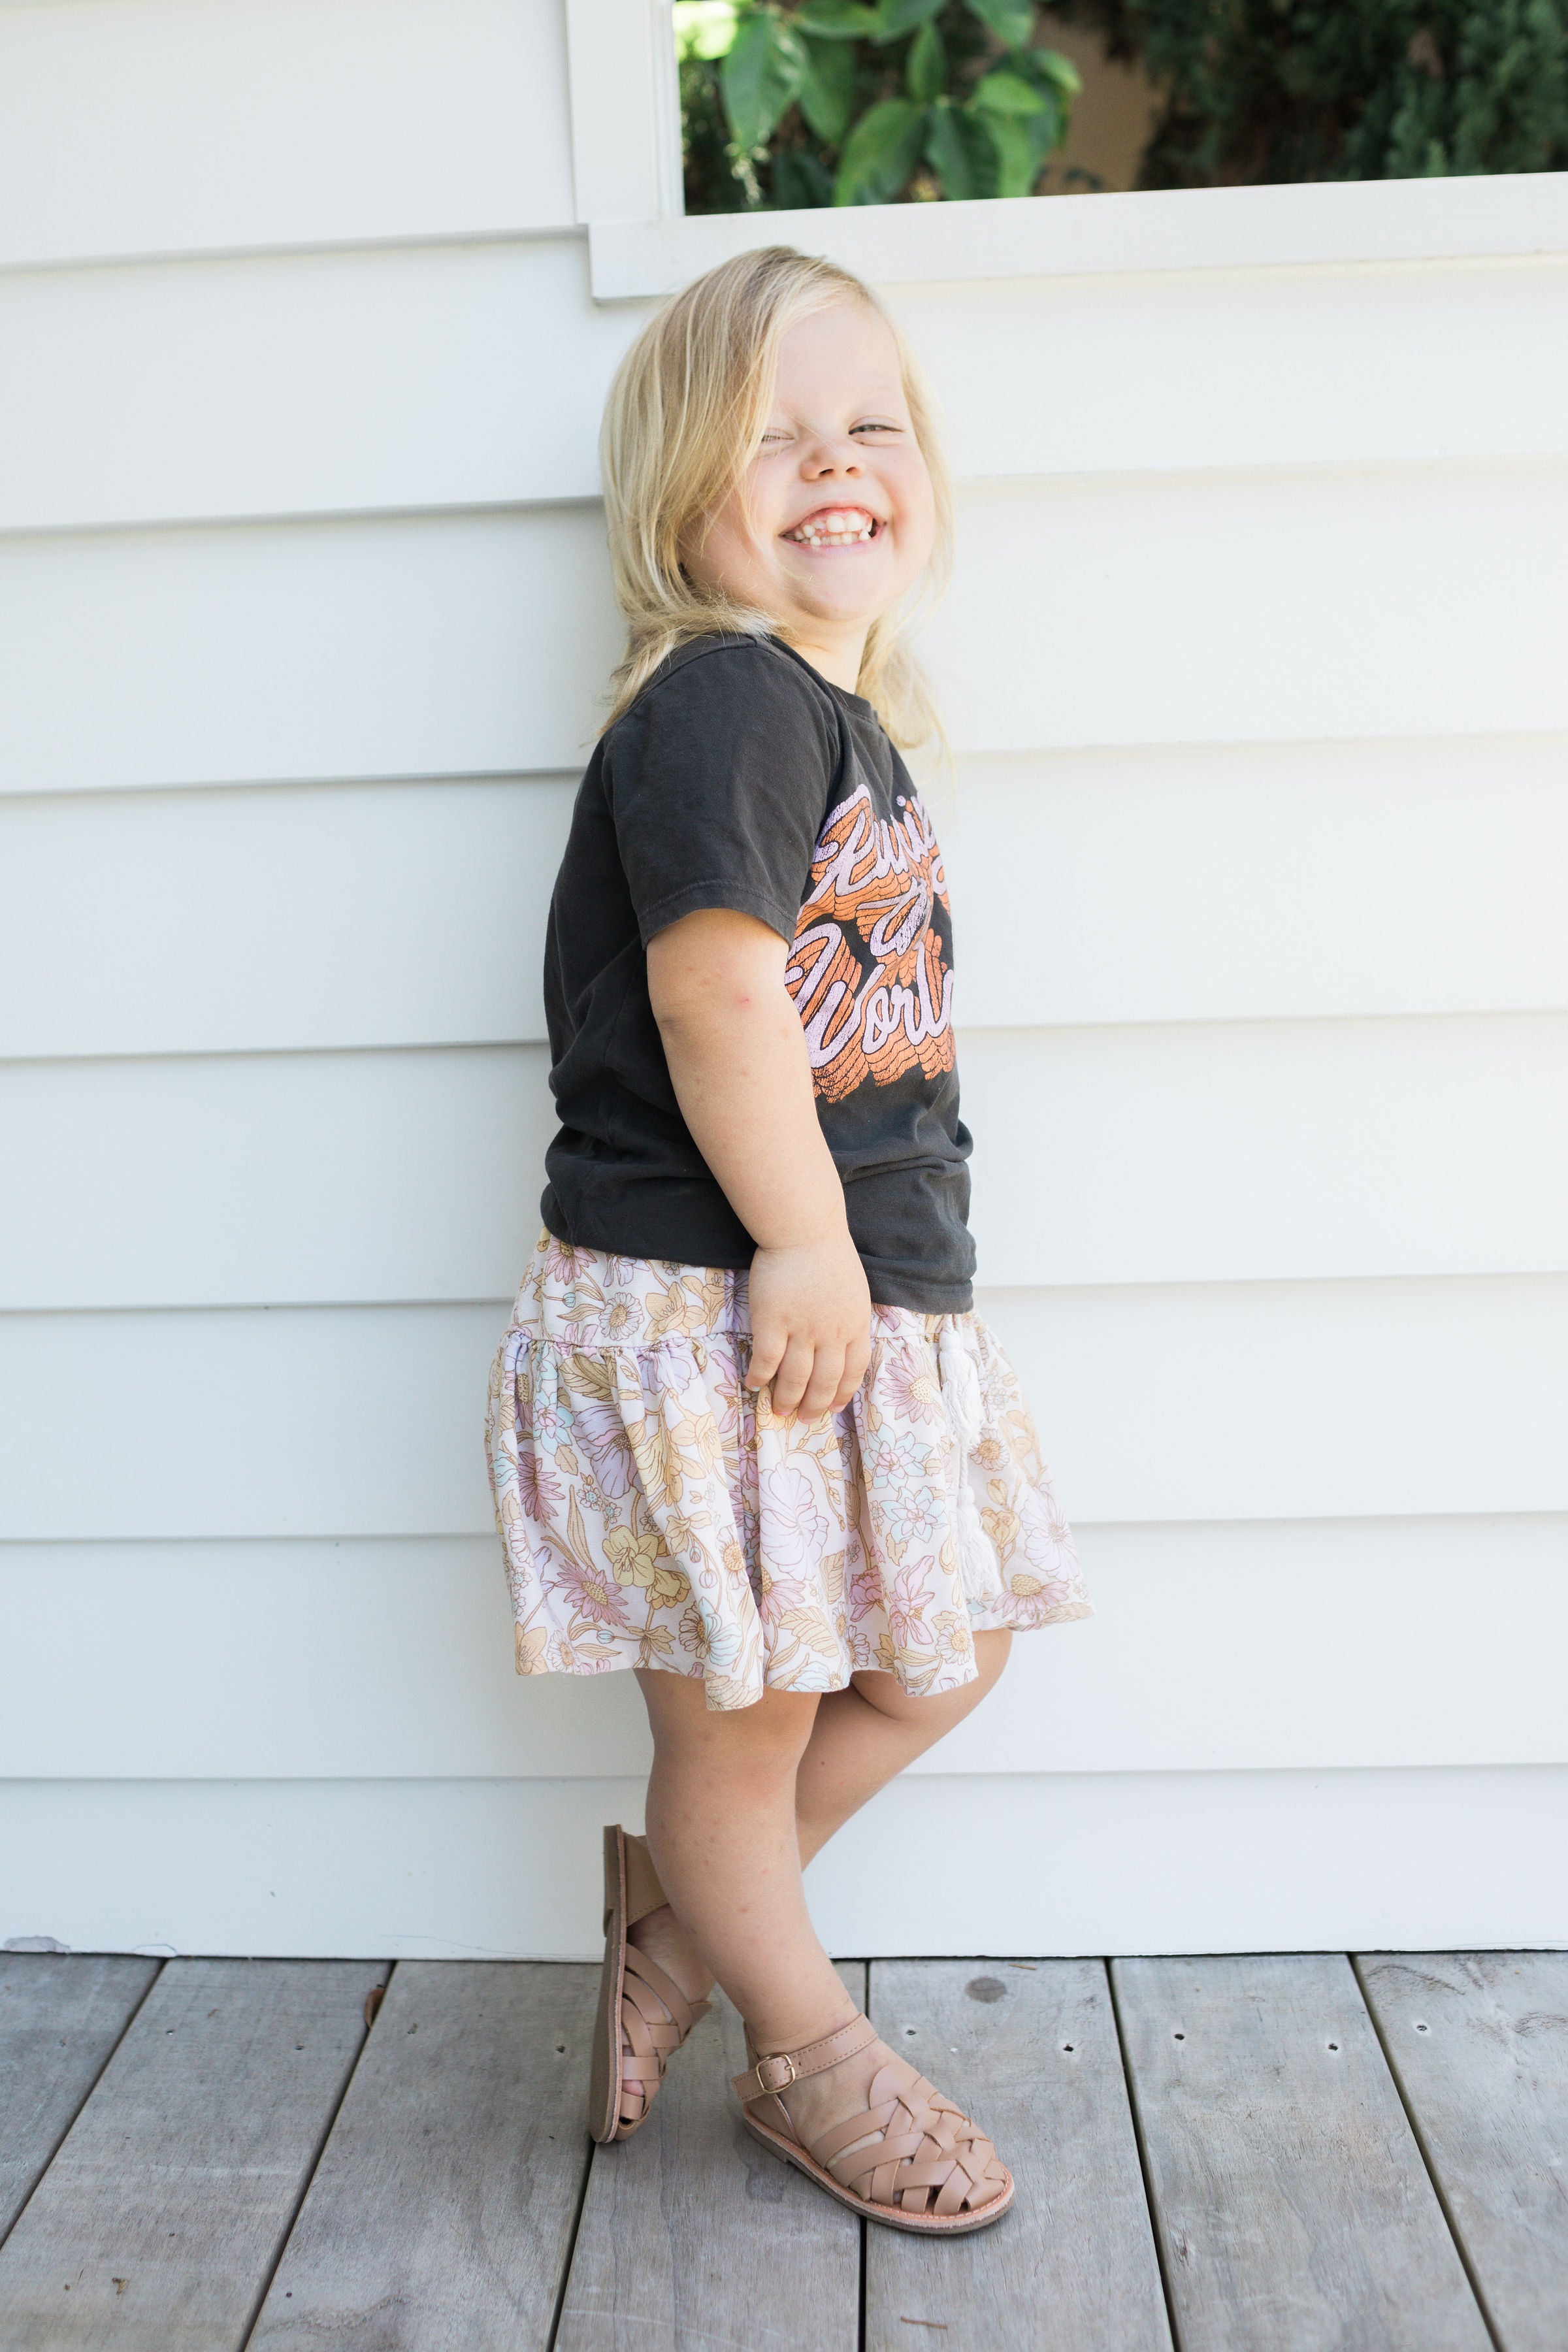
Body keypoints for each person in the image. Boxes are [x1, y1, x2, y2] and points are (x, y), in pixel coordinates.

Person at [486, 244, 1091, 2235]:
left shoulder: (843, 727)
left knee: (949, 1643)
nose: (837, 465)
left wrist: (879, 1268)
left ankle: (675, 1937)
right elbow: (720, 1003)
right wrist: (813, 1248)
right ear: (685, 492)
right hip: (720, 1298)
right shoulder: (724, 704)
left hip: (846, 1297)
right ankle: (808, 2049)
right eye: (777, 436)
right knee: (739, 1732)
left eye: (873, 427)